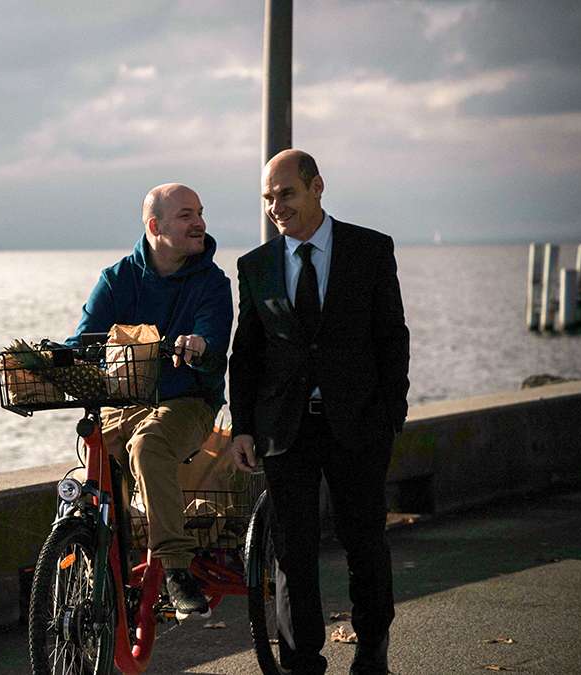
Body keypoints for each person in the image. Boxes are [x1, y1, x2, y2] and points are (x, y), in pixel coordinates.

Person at [228, 149, 410, 675]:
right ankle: (301, 662)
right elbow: (247, 356)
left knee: (365, 544)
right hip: (285, 431)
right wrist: (243, 426)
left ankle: (372, 652)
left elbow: (391, 336)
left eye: (285, 193)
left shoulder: (370, 250)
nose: (275, 206)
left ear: (317, 187)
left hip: (357, 425)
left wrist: (389, 414)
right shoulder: (256, 266)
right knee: (292, 553)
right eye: (267, 197)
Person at [67, 183, 233, 619]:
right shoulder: (117, 278)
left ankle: (177, 570)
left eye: (200, 212)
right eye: (186, 215)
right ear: (156, 226)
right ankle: (98, 562)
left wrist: (198, 344)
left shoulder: (213, 282)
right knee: (93, 447)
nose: (199, 222)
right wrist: (57, 359)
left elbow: (213, 337)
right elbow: (85, 337)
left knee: (149, 445)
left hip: (188, 402)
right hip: (124, 402)